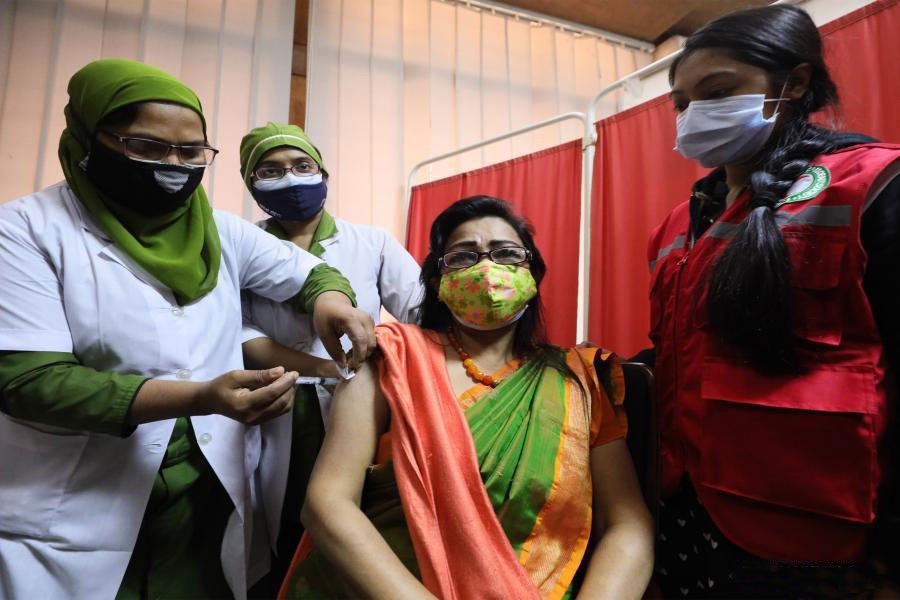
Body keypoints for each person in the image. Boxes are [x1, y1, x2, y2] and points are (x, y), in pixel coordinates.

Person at [0, 59, 377, 599]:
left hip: (205, 497)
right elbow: (27, 381)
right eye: (148, 148)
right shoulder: (24, 231)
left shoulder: (217, 228)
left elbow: (311, 274)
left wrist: (332, 304)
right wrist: (200, 396)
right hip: (75, 506)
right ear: (88, 139)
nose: (173, 165)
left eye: (191, 152)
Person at [279, 196, 654, 599]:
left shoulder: (580, 381)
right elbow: (327, 503)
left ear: (532, 276)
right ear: (438, 285)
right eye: (462, 257)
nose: (486, 268)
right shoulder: (389, 356)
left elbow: (627, 525)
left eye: (507, 254)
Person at [648, 5, 900, 597]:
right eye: (682, 104)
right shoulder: (673, 227)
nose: (694, 115)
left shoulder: (872, 186)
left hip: (824, 542)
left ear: (794, 83)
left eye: (719, 91)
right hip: (685, 514)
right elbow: (680, 355)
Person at [237, 121, 423, 594]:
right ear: (250, 184)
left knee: (360, 522)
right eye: (271, 171)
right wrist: (322, 367)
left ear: (324, 173)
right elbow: (240, 335)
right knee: (282, 524)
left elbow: (422, 314)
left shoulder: (372, 242)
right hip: (278, 404)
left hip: (362, 403)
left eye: (302, 166)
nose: (292, 179)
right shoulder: (240, 249)